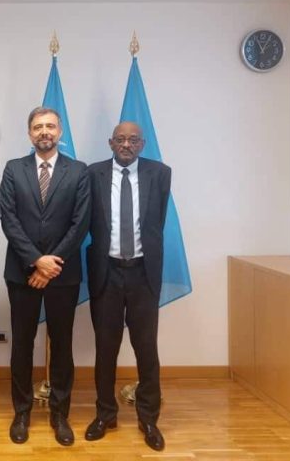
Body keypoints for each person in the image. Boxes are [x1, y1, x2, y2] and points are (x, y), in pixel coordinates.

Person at [0, 107, 90, 446]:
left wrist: (51, 266)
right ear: (29, 133)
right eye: (38, 127)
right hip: (22, 272)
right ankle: (22, 412)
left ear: (60, 131)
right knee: (22, 344)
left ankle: (59, 414)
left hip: (63, 275)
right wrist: (36, 262)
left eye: (50, 126)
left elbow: (80, 223)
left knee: (62, 345)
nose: (44, 132)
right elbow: (9, 219)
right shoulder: (13, 169)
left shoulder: (78, 171)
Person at [84, 121, 171, 452]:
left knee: (146, 349)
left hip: (142, 274)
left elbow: (156, 224)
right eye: (120, 139)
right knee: (105, 348)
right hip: (106, 272)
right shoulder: (93, 174)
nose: (126, 144)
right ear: (110, 143)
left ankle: (148, 418)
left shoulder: (160, 174)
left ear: (142, 144)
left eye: (133, 140)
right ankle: (105, 414)